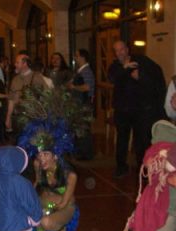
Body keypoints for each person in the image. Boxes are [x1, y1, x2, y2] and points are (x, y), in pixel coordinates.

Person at [108, 40, 167, 178]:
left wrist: (141, 77)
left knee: (141, 141)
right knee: (122, 140)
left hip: (139, 111)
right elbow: (112, 77)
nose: (119, 53)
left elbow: (156, 74)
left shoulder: (141, 61)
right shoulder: (115, 66)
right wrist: (125, 69)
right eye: (116, 50)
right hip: (122, 111)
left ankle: (143, 168)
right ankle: (121, 167)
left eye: (121, 49)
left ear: (127, 49)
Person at [5, 53, 53, 133]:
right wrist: (8, 117)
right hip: (18, 117)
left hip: (33, 118)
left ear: (24, 64)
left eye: (17, 62)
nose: (15, 64)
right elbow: (11, 100)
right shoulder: (15, 80)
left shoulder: (36, 77)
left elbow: (47, 95)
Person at [68, 48, 95, 160]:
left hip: (84, 103)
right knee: (80, 128)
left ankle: (86, 154)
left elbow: (87, 87)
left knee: (84, 129)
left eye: (77, 56)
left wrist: (74, 87)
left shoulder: (86, 71)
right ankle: (81, 152)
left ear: (83, 57)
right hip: (79, 103)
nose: (75, 58)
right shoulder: (80, 71)